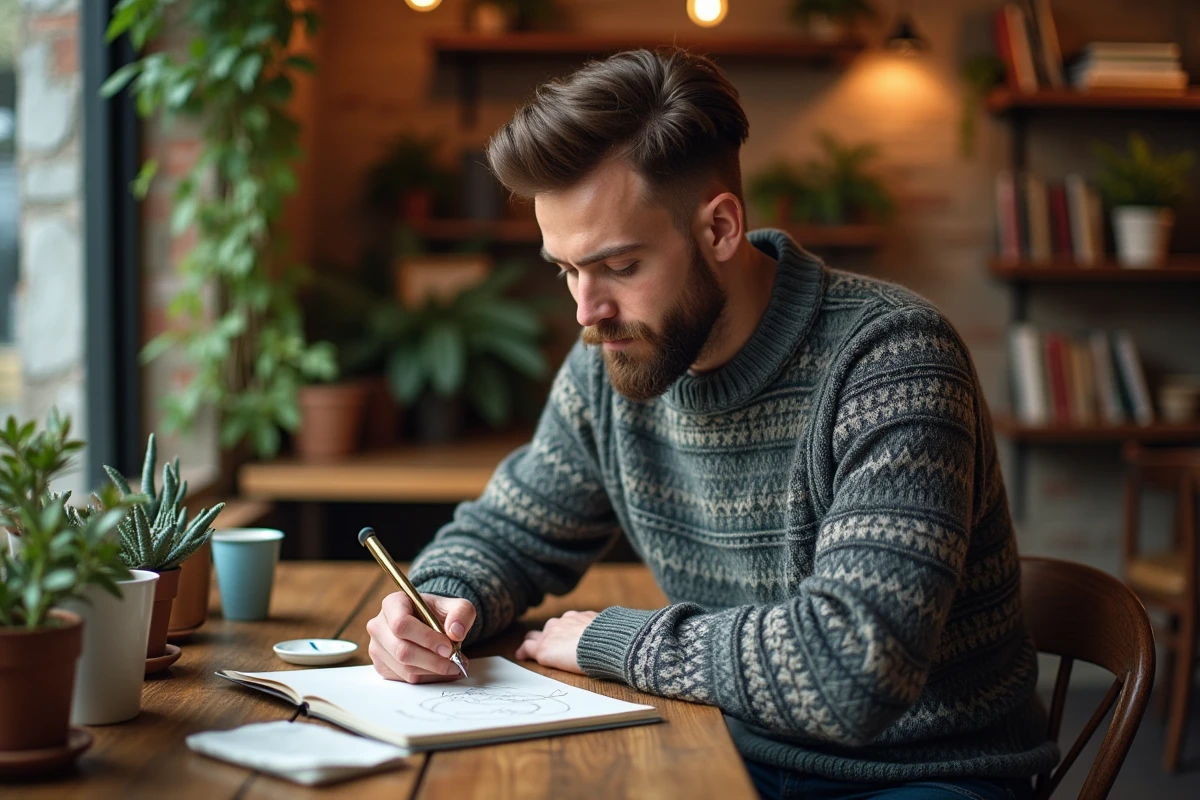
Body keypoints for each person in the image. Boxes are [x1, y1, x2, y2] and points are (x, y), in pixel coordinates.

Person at [366, 47, 1058, 799]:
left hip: (922, 774)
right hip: (724, 743)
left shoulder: (892, 361)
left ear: (720, 228)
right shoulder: (611, 358)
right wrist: (435, 598)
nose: (585, 312)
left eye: (619, 267)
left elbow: (853, 669)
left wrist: (612, 640)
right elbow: (513, 529)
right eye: (565, 269)